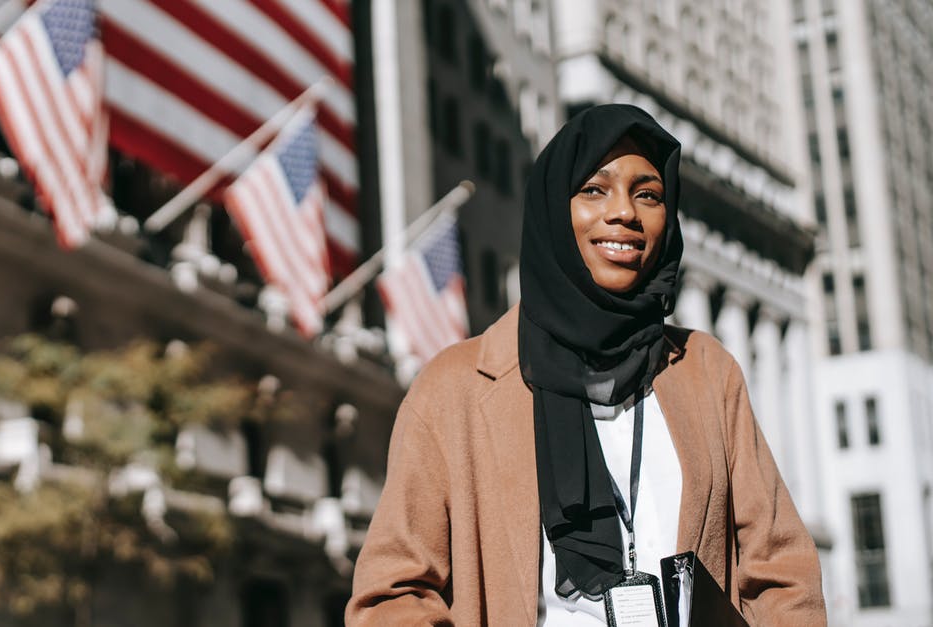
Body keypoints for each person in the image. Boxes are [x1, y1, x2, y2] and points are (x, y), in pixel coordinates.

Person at [345, 104, 825, 625]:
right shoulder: (454, 389)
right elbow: (390, 597)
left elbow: (782, 571)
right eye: (595, 190)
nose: (625, 213)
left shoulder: (707, 371)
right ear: (554, 207)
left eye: (649, 194)